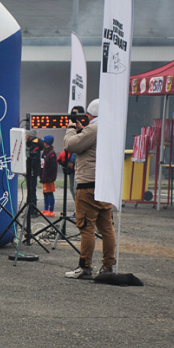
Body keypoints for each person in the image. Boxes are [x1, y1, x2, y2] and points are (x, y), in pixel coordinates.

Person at [64, 98, 116, 279]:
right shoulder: (111, 127)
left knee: (86, 227)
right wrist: (81, 132)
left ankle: (85, 267)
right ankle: (108, 266)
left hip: (88, 184)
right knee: (107, 228)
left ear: (89, 115)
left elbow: (71, 145)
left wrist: (71, 129)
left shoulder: (93, 128)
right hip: (105, 184)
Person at [41, 135, 57, 217]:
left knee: (50, 192)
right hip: (44, 176)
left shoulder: (51, 153)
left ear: (47, 143)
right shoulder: (45, 152)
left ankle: (51, 210)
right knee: (45, 193)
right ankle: (46, 208)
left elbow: (52, 166)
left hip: (48, 177)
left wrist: (48, 175)